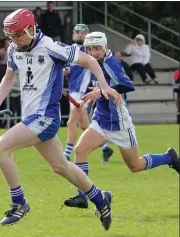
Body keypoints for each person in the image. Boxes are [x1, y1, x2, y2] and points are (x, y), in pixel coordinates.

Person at [0, 9, 122, 230]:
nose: (14, 40)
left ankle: (19, 203)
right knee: (61, 166)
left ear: (31, 29)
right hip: (31, 116)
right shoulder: (14, 49)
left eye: (18, 34)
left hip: (45, 117)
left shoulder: (52, 47)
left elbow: (89, 60)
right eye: (10, 36)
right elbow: (8, 77)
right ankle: (100, 198)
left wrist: (105, 86)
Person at [62, 32, 180, 209]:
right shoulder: (92, 62)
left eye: (97, 48)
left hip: (119, 123)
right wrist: (83, 101)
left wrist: (101, 91)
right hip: (101, 121)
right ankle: (82, 197)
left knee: (135, 165)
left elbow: (127, 85)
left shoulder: (111, 63)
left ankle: (169, 158)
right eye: (90, 49)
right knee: (80, 151)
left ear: (105, 47)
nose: (93, 52)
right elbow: (92, 85)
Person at [63, 24, 115, 162]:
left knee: (71, 123)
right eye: (77, 32)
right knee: (84, 124)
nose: (79, 34)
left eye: (82, 32)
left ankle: (66, 155)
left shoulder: (89, 50)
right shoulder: (70, 49)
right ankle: (106, 149)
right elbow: (69, 70)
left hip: (84, 91)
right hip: (74, 89)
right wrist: (65, 71)